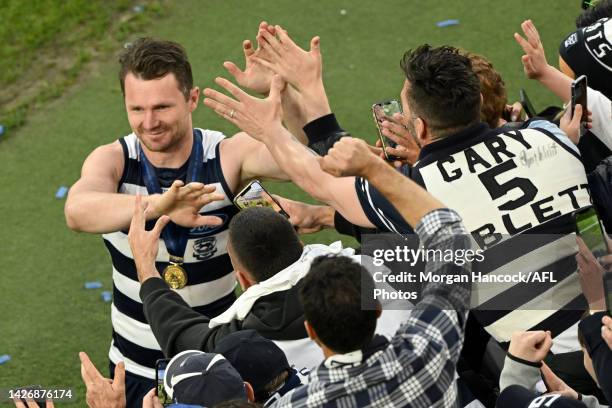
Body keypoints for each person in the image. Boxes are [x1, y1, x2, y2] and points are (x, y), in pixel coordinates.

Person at [204, 28, 591, 347]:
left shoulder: (419, 191)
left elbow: (320, 177)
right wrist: (298, 91)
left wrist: (269, 129)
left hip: (540, 367)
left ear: (420, 127)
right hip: (598, 330)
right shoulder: (549, 137)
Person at [64, 34, 303, 406]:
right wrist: (160, 205)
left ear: (192, 99)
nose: (149, 122)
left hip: (216, 370)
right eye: (137, 109)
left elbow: (307, 158)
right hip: (135, 368)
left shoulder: (226, 156)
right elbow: (76, 211)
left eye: (162, 107)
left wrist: (285, 97)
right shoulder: (112, 160)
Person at [127, 198, 410, 374]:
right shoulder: (379, 267)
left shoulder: (240, 340)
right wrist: (323, 216)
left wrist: (146, 269)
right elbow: (413, 224)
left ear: (244, 280)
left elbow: (182, 336)